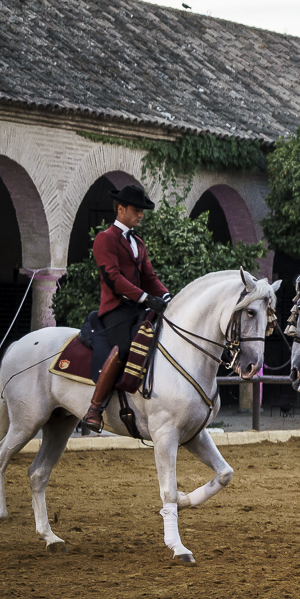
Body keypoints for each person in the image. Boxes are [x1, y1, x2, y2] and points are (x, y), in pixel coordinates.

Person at [83, 183, 169, 431]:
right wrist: (145, 298)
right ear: (121, 209)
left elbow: (150, 278)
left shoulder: (138, 243)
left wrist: (166, 296)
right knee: (122, 349)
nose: (141, 214)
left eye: (143, 210)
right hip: (115, 309)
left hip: (137, 308)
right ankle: (95, 408)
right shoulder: (105, 239)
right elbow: (113, 278)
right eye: (136, 209)